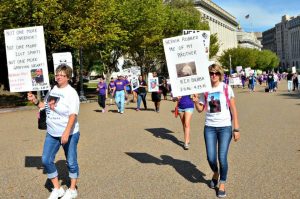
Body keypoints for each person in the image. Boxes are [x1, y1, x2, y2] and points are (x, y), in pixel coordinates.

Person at [27, 64, 80, 199]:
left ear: (68, 77)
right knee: (46, 160)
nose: (58, 77)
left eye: (62, 75)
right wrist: (34, 100)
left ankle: (72, 189)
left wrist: (66, 132)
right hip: (52, 132)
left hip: (69, 133)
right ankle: (57, 189)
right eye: (57, 74)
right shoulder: (53, 89)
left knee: (71, 161)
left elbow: (73, 115)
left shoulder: (71, 93)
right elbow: (44, 106)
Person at [192, 64, 240, 198]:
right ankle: (215, 172)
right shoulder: (204, 89)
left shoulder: (226, 88)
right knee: (210, 157)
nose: (213, 75)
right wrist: (196, 101)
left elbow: (233, 109)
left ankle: (222, 183)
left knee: (222, 157)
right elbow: (200, 109)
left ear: (220, 74)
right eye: (211, 73)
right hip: (209, 127)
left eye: (216, 73)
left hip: (225, 127)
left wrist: (236, 128)